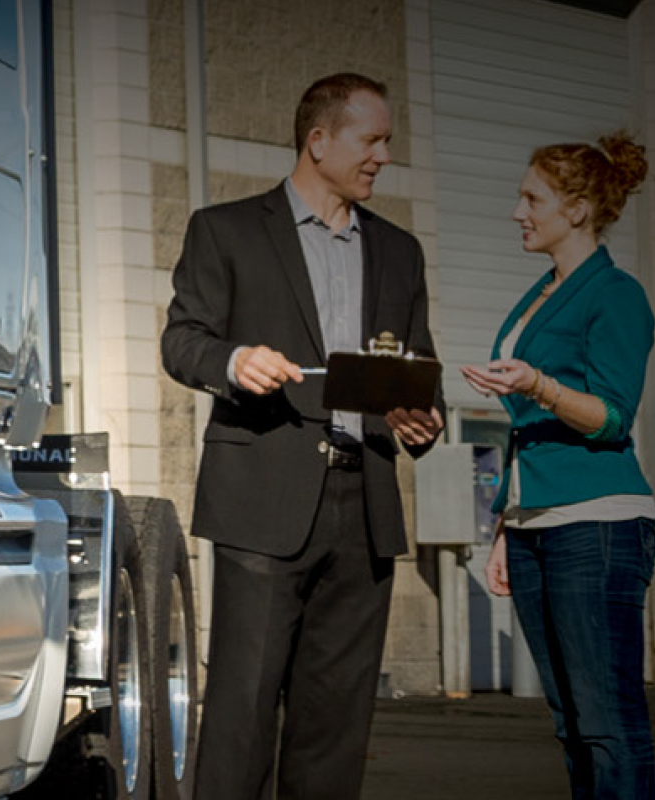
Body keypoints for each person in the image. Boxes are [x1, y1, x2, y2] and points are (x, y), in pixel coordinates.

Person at [160, 72, 445, 800]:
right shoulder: (224, 229)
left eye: (388, 141)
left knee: (335, 723)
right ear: (318, 140)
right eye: (372, 139)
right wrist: (233, 359)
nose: (384, 155)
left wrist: (423, 418)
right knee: (243, 711)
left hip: (365, 508)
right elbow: (183, 340)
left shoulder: (400, 252)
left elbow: (417, 366)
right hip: (262, 500)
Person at [465, 132, 655, 800]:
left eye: (531, 198)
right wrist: (503, 528)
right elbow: (529, 431)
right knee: (572, 723)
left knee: (608, 722)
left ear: (577, 209)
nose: (518, 211)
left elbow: (610, 416)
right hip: (533, 523)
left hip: (596, 524)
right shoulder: (543, 293)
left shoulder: (616, 295)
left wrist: (539, 384)